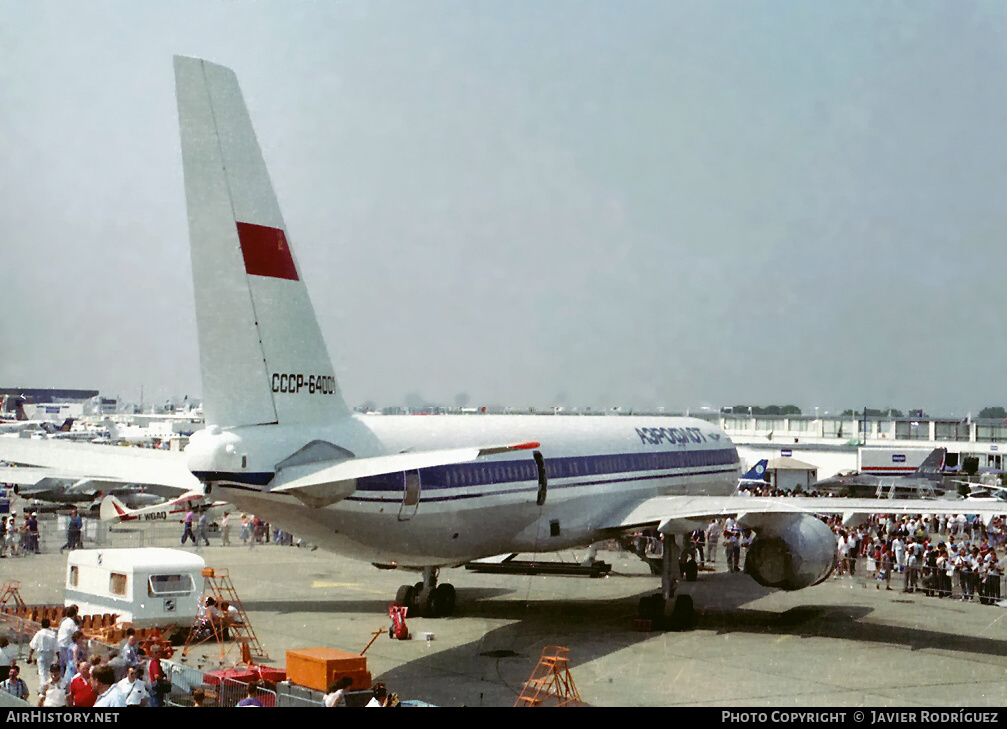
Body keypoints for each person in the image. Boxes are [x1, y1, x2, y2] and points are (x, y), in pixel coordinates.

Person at [28, 618, 57, 685]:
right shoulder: (53, 634)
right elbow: (56, 647)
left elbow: (33, 646)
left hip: (42, 654)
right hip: (50, 654)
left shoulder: (39, 633)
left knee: (42, 672)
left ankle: (43, 687)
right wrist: (58, 656)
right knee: (50, 671)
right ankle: (49, 684)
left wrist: (30, 656)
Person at [146, 643, 168, 708]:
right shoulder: (155, 663)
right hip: (156, 688)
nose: (158, 653)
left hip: (154, 687)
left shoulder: (156, 662)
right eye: (156, 652)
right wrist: (164, 680)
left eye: (159, 652)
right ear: (152, 653)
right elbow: (156, 676)